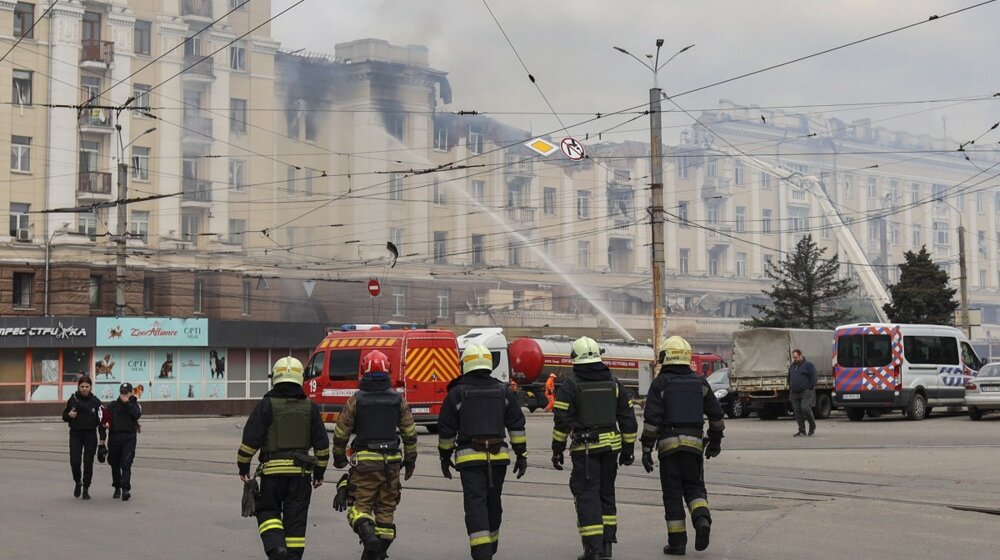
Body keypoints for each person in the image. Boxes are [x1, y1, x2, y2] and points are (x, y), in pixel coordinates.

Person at [551, 337, 638, 560]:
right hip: (611, 449)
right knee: (606, 494)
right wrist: (628, 450)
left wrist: (558, 449)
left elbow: (562, 421)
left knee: (587, 496)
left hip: (585, 450)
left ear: (575, 359)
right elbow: (628, 420)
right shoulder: (615, 383)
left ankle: (593, 549)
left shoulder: (570, 386)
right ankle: (607, 544)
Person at [438, 344, 528, 560]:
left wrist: (444, 456)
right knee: (493, 502)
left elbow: (446, 429)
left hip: (470, 460)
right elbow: (516, 425)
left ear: (465, 364)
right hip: (498, 459)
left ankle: (482, 552)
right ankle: (490, 546)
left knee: (475, 504)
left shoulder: (457, 393)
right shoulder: (503, 391)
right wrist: (521, 454)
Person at [238, 357, 330, 560]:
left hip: (272, 475)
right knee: (296, 520)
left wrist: (243, 466)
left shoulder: (265, 405)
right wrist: (319, 473)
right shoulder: (310, 408)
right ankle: (293, 555)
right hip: (301, 476)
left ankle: (276, 547)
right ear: (300, 378)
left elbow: (250, 440)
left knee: (268, 511)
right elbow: (322, 446)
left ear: (275, 378)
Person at [641, 336, 725, 556]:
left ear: (666, 357)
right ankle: (702, 519)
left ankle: (677, 543)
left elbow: (651, 420)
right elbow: (716, 416)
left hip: (669, 450)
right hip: (694, 448)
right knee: (695, 488)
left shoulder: (660, 383)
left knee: (672, 495)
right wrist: (715, 441)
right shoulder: (700, 382)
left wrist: (646, 449)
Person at [332, 350, 417, 560]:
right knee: (386, 511)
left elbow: (341, 433)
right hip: (391, 465)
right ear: (388, 371)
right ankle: (375, 551)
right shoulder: (399, 400)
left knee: (358, 508)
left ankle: (367, 534)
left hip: (365, 463)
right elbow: (410, 433)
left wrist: (339, 458)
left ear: (363, 371)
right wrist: (410, 461)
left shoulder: (356, 400)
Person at [61, 375, 107, 500]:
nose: (84, 389)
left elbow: (102, 421)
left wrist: (102, 440)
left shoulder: (96, 402)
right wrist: (69, 415)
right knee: (74, 462)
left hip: (90, 435)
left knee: (88, 463)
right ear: (78, 387)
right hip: (75, 434)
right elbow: (64, 416)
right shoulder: (73, 399)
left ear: (91, 387)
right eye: (82, 386)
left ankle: (86, 488)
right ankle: (78, 481)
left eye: (87, 386)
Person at [105, 382, 142, 501]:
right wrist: (105, 425)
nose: (124, 395)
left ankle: (126, 489)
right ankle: (117, 486)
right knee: (114, 463)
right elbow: (105, 419)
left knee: (126, 463)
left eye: (126, 392)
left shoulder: (135, 405)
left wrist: (127, 403)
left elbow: (136, 415)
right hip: (115, 437)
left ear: (131, 393)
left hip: (129, 437)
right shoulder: (113, 405)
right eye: (122, 392)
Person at [788, 349, 818, 437]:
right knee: (797, 412)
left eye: (796, 357)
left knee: (805, 408)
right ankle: (802, 431)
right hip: (794, 393)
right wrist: (790, 386)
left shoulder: (808, 365)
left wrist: (810, 387)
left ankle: (812, 426)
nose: (795, 359)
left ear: (801, 355)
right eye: (793, 358)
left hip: (806, 392)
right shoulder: (792, 366)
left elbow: (814, 377)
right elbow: (789, 377)